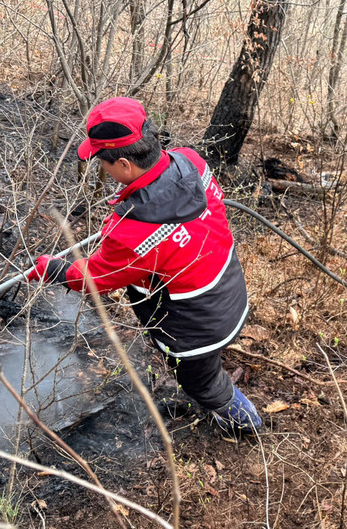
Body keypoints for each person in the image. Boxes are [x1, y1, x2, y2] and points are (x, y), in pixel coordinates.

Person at [27, 97, 262, 434]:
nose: (101, 167)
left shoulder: (132, 231)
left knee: (204, 383)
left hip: (197, 326)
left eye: (101, 161)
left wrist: (53, 269)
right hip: (230, 291)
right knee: (205, 366)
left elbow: (96, 279)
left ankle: (246, 426)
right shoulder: (191, 160)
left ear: (124, 163)